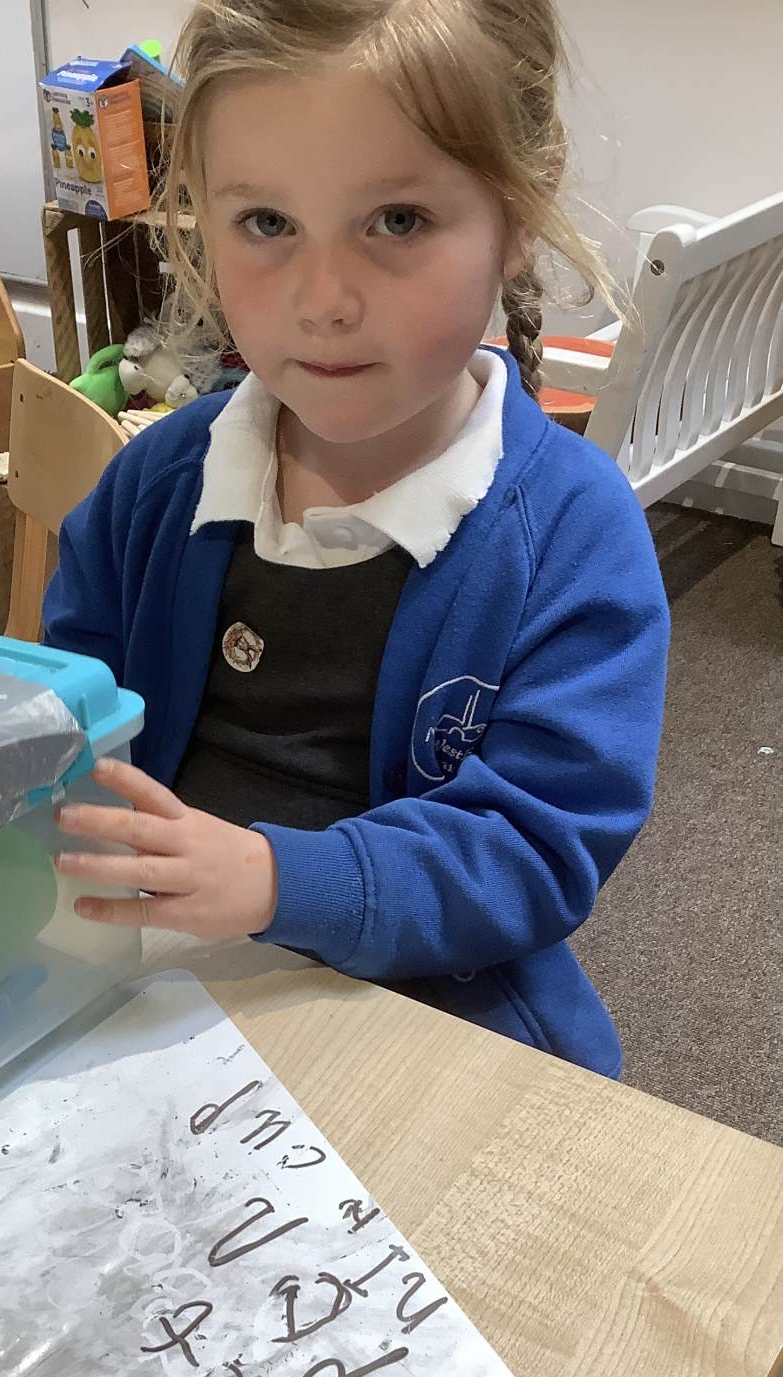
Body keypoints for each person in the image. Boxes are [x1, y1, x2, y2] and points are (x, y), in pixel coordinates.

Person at [43, 0, 670, 1076]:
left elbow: (536, 846)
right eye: (267, 223)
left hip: (434, 1022)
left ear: (517, 216)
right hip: (157, 992)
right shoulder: (156, 481)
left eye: (397, 221)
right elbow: (69, 724)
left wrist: (278, 882)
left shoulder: (571, 533)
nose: (324, 302)